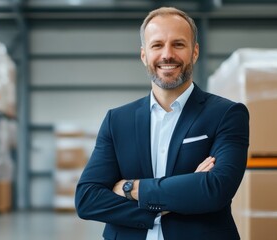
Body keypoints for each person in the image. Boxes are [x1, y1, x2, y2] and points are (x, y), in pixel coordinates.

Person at [74, 6, 249, 240]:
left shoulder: (226, 114)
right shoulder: (117, 120)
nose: (167, 54)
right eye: (157, 45)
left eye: (178, 44)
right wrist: (172, 200)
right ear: (144, 54)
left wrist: (130, 188)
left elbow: (215, 189)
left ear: (194, 52)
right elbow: (87, 199)